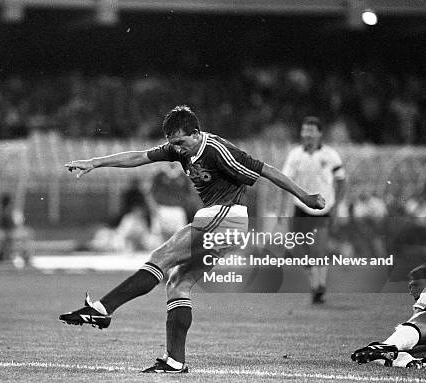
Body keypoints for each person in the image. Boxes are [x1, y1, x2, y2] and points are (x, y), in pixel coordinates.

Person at [59, 105, 325, 373]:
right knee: (177, 282)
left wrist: (305, 197)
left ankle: (103, 310)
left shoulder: (218, 150)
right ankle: (175, 361)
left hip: (226, 217)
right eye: (172, 143)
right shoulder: (177, 147)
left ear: (196, 133)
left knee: (159, 258)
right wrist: (95, 163)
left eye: (181, 142)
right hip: (220, 221)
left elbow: (264, 169)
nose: (177, 149)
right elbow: (139, 157)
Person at [279, 116, 346, 304]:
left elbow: (342, 181)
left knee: (319, 248)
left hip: (323, 207)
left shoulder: (330, 155)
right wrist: (281, 210)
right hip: (300, 206)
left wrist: (337, 206)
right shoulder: (295, 155)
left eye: (310, 131)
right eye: (304, 130)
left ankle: (319, 287)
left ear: (319, 133)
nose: (306, 134)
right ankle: (315, 284)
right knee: (299, 249)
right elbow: (284, 182)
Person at [351, 265, 426, 369]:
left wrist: (394, 345)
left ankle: (388, 346)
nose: (411, 292)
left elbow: (425, 322)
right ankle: (411, 361)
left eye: (415, 285)